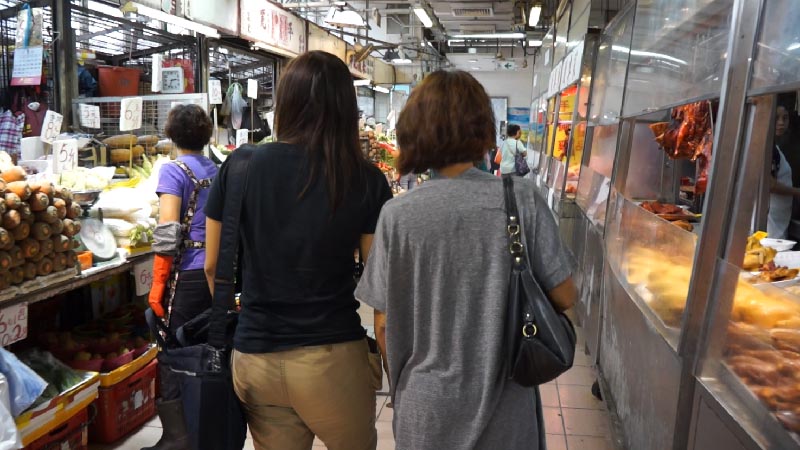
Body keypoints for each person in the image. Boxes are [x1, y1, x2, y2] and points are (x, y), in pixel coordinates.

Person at [355, 70, 577, 449]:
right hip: (505, 408)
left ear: (414, 132)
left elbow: (383, 325)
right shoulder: (520, 199)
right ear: (483, 129)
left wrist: (404, 388)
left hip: (425, 410)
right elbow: (565, 296)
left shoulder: (396, 215)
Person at [204, 51, 392, 450]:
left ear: (285, 103)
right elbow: (381, 291)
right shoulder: (363, 178)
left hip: (257, 357)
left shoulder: (240, 166)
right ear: (346, 109)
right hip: (332, 358)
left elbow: (211, 266)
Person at [145, 104, 218, 450]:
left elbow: (168, 229)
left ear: (172, 135)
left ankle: (177, 437)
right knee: (207, 350)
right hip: (215, 273)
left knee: (173, 352)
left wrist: (158, 283)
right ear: (207, 135)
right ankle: (207, 428)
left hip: (185, 275)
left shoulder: (172, 171)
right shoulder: (217, 170)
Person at [768, 105, 800, 239]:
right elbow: (770, 184)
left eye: (785, 118)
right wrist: (797, 192)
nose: (781, 122)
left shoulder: (774, 146)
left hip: (778, 218)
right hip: (768, 219)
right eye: (776, 118)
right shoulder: (767, 148)